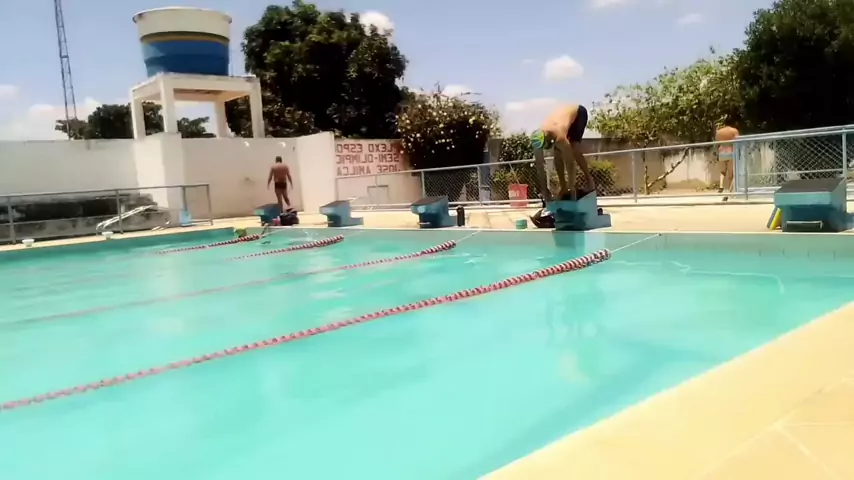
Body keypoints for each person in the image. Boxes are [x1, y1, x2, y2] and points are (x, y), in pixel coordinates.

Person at [530, 104, 595, 201]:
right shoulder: (536, 141)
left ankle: (590, 182)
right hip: (561, 119)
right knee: (557, 154)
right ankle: (563, 188)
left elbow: (570, 163)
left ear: (549, 138)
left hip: (578, 113)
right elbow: (540, 166)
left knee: (574, 147)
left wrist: (571, 187)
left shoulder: (559, 136)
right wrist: (544, 190)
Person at [715, 125, 740, 199]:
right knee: (732, 174)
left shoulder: (719, 132)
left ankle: (721, 186)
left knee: (722, 171)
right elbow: (738, 140)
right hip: (731, 151)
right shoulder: (734, 130)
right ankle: (730, 191)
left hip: (722, 151)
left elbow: (717, 142)